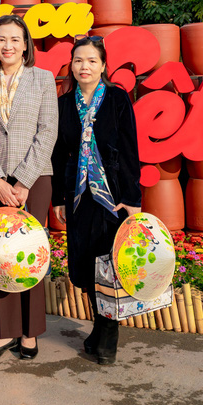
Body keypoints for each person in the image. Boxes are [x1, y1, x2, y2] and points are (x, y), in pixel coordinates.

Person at [0, 15, 58, 360]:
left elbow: (48, 131)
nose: (7, 45)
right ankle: (5, 331)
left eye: (14, 39)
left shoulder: (44, 79)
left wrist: (22, 181)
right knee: (0, 254)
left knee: (29, 254)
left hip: (35, 181)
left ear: (26, 45)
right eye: (1, 39)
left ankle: (30, 332)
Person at [50, 36, 141, 365]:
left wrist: (133, 197)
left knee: (111, 267)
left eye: (91, 61)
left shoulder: (117, 98)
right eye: (78, 61)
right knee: (87, 266)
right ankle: (98, 328)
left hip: (112, 198)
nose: (84, 66)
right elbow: (59, 155)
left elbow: (130, 149)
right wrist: (58, 197)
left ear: (103, 66)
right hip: (77, 198)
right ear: (71, 66)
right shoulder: (63, 104)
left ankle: (109, 336)